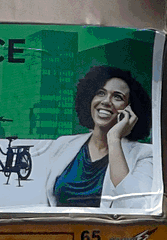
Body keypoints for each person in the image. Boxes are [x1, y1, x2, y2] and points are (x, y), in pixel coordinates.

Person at [34, 65, 157, 211]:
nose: (106, 101)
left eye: (117, 97)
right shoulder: (63, 144)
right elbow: (42, 202)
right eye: (100, 93)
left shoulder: (144, 155)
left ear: (130, 109)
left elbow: (134, 207)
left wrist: (114, 139)